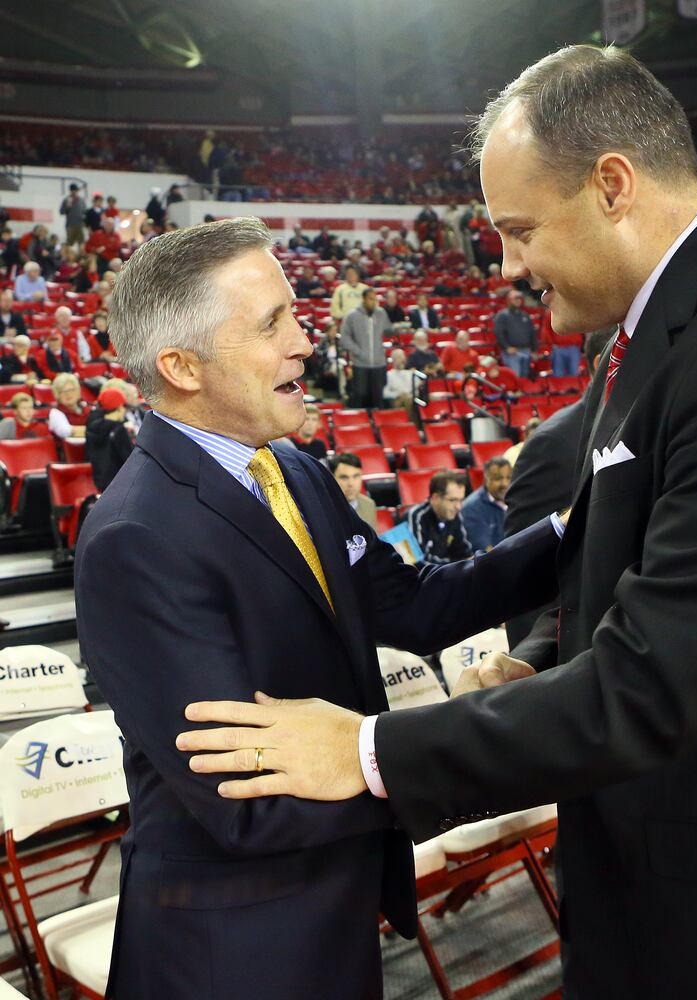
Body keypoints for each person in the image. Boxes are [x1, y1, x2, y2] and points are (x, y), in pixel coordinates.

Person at [178, 47, 697, 1000]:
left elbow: (658, 680)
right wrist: (543, 656)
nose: (508, 266)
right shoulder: (662, 333)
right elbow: (647, 576)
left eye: (518, 230)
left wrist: (366, 750)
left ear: (612, 185)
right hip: (674, 875)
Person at [74, 216, 560, 999]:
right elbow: (249, 800)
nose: (307, 342)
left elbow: (417, 607)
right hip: (233, 951)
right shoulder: (136, 538)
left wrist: (577, 530)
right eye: (274, 324)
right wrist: (488, 759)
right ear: (181, 366)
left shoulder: (293, 472)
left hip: (328, 908)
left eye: (297, 314)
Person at [504, 327, 612, 645]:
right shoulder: (554, 443)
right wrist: (533, 670)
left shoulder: (643, 423)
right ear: (602, 362)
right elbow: (525, 574)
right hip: (578, 658)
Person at [405, 471, 471, 565]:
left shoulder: (455, 515)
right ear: (435, 498)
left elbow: (465, 554)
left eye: (461, 500)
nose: (458, 507)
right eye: (452, 500)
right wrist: (455, 565)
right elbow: (419, 563)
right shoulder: (416, 516)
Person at [340, 289, 390, 410]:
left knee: (378, 398)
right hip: (360, 364)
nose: (374, 302)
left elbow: (388, 330)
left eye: (375, 299)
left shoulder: (381, 313)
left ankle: (377, 426)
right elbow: (344, 338)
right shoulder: (352, 315)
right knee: (360, 396)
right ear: (363, 299)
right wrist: (358, 351)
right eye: (371, 299)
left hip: (379, 363)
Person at [85, 387, 135, 491]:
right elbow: (131, 460)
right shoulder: (119, 430)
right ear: (120, 407)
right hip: (121, 485)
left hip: (100, 484)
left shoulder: (91, 429)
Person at [461, 457, 511, 551]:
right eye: (498, 479)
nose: (505, 484)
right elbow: (486, 552)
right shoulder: (472, 508)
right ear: (486, 480)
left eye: (508, 478)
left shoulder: (516, 498)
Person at [494, 288, 538, 378]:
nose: (518, 301)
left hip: (526, 350)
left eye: (519, 299)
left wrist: (534, 350)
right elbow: (499, 333)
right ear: (509, 300)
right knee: (515, 376)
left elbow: (532, 333)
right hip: (512, 352)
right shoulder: (502, 315)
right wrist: (506, 347)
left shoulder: (525, 315)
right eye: (515, 299)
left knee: (524, 376)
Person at [330, 452, 378, 531]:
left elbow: (373, 541)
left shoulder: (369, 505)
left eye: (356, 476)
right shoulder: (321, 507)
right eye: (344, 477)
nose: (351, 484)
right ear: (332, 479)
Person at [48, 372, 89, 441]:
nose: (68, 394)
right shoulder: (55, 413)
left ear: (77, 391)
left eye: (71, 390)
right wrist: (95, 430)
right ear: (58, 395)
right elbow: (66, 431)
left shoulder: (86, 408)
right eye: (63, 391)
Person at [383, 348, 416, 415]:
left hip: (412, 398)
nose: (402, 360)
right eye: (399, 358)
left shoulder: (410, 373)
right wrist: (398, 394)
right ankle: (411, 423)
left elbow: (417, 389)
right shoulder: (388, 375)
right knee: (406, 399)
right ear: (393, 360)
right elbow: (385, 393)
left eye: (403, 357)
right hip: (397, 399)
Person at [59, 183, 87, 248]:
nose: (74, 192)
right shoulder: (66, 200)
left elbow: (85, 211)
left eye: (75, 190)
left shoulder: (81, 200)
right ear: (70, 191)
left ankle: (81, 256)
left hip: (80, 225)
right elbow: (61, 212)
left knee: (81, 243)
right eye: (73, 190)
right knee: (69, 243)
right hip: (70, 225)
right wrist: (67, 206)